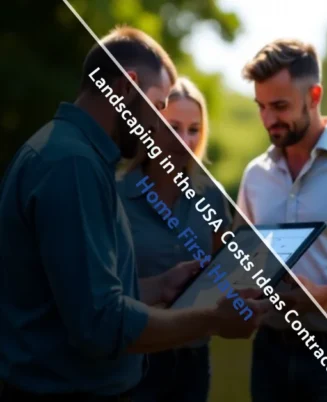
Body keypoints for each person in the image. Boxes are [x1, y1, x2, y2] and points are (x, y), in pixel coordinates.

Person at [0, 27, 260, 402]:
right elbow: (101, 324)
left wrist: (159, 286)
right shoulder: (73, 165)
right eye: (156, 108)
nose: (156, 126)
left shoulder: (73, 154)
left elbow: (77, 293)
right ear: (125, 88)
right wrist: (212, 319)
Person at [236, 39, 327, 401]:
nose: (269, 119)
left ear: (314, 95)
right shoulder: (254, 175)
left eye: (280, 106)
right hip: (269, 354)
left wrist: (323, 297)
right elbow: (243, 264)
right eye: (261, 107)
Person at [117, 77, 229, 402]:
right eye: (173, 127)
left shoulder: (211, 196)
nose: (185, 140)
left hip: (193, 360)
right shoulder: (116, 193)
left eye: (194, 129)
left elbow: (223, 274)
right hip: (133, 362)